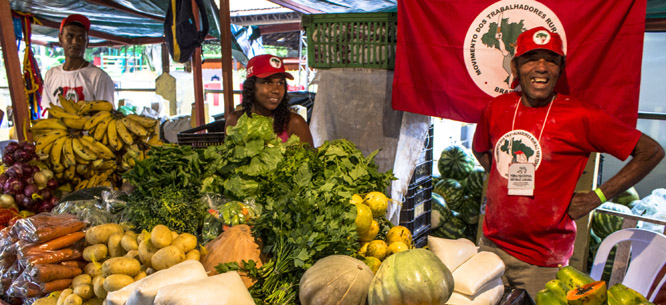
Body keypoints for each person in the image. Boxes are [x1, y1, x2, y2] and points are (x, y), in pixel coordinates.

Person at [471, 27, 664, 297]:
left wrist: (597, 197)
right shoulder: (497, 107)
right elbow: (480, 148)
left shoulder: (581, 115)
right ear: (516, 66)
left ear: (560, 69)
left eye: (551, 60)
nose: (541, 68)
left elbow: (651, 152)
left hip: (543, 261)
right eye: (531, 58)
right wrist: (501, 180)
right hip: (491, 247)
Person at [225, 54, 314, 147]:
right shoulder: (235, 121)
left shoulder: (295, 123)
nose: (276, 90)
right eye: (267, 82)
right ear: (251, 86)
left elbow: (310, 159)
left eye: (280, 83)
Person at [41, 14, 115, 115]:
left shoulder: (99, 77)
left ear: (87, 42)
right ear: (60, 39)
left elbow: (106, 116)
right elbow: (50, 111)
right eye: (69, 36)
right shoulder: (51, 74)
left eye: (81, 37)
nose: (75, 42)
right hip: (57, 130)